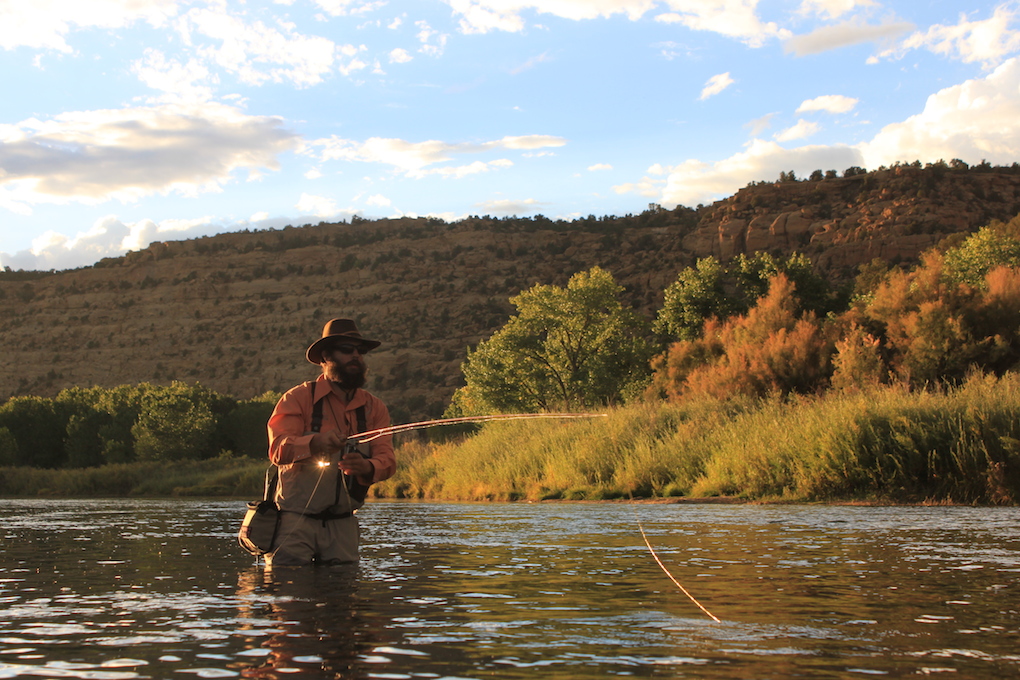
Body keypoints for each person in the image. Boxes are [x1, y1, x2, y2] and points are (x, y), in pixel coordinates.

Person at [264, 318, 396, 567]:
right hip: (294, 523)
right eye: (347, 350)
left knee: (344, 599)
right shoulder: (297, 398)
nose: (356, 356)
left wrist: (367, 467)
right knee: (290, 596)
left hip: (343, 524)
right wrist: (315, 443)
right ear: (326, 356)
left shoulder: (374, 407)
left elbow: (387, 460)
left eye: (360, 351)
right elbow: (278, 450)